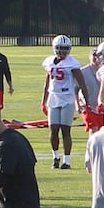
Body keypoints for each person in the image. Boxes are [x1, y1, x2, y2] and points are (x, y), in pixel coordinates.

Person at [41, 35, 90, 170]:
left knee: (66, 130)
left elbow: (82, 84)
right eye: (60, 49)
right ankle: (55, 157)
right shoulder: (49, 62)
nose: (63, 52)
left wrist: (87, 101)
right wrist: (43, 100)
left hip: (67, 98)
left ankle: (67, 161)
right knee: (53, 130)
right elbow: (47, 82)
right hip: (53, 97)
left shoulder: (73, 63)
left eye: (65, 49)